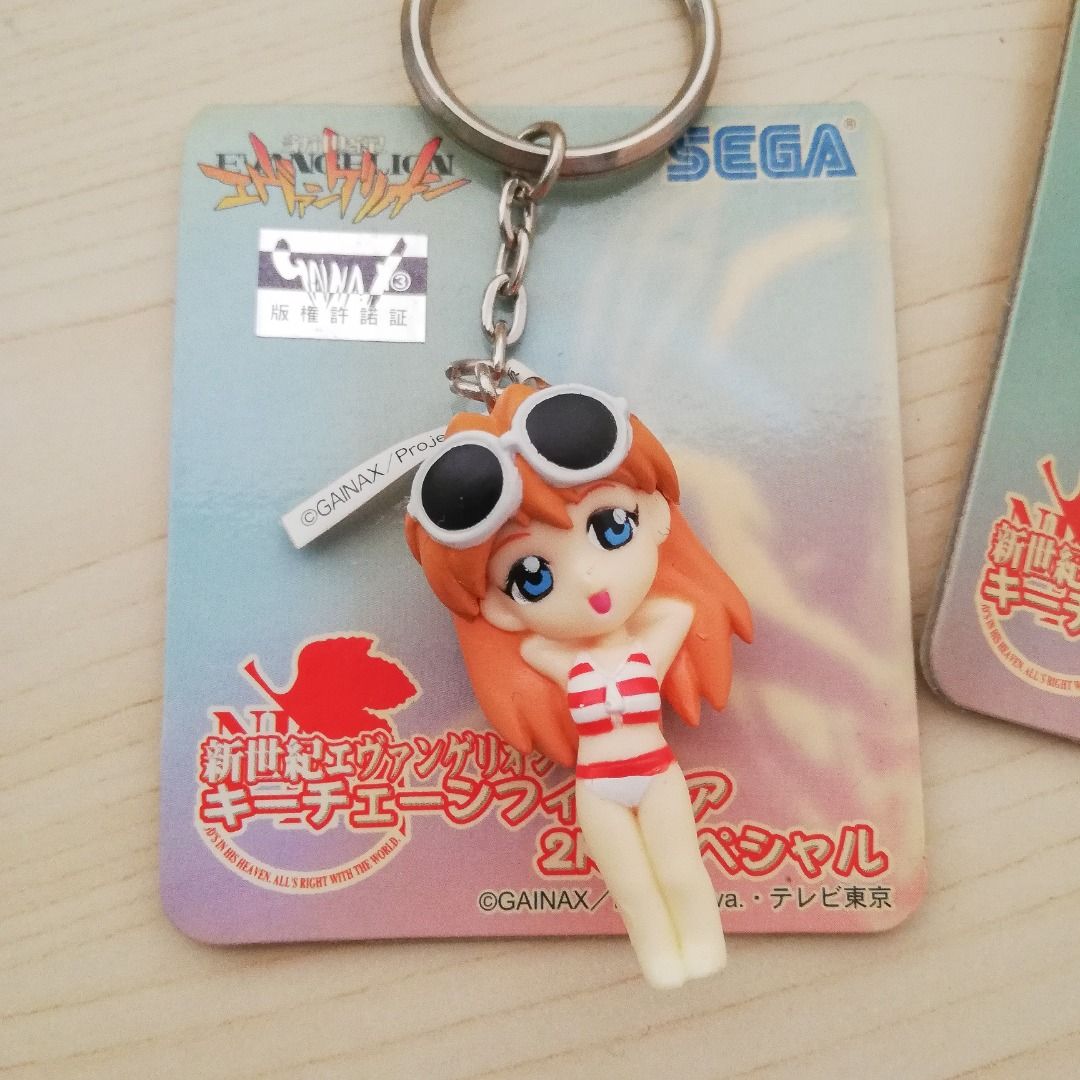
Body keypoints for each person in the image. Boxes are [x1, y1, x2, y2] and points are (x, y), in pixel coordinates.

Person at [406, 382, 751, 988]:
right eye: (532, 575)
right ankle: (662, 964)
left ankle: (704, 951)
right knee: (631, 887)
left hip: (654, 774)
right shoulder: (563, 661)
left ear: (656, 516)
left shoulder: (645, 649)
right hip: (598, 789)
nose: (589, 576)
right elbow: (534, 646)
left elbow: (676, 613)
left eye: (612, 526)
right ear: (502, 608)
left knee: (678, 869)